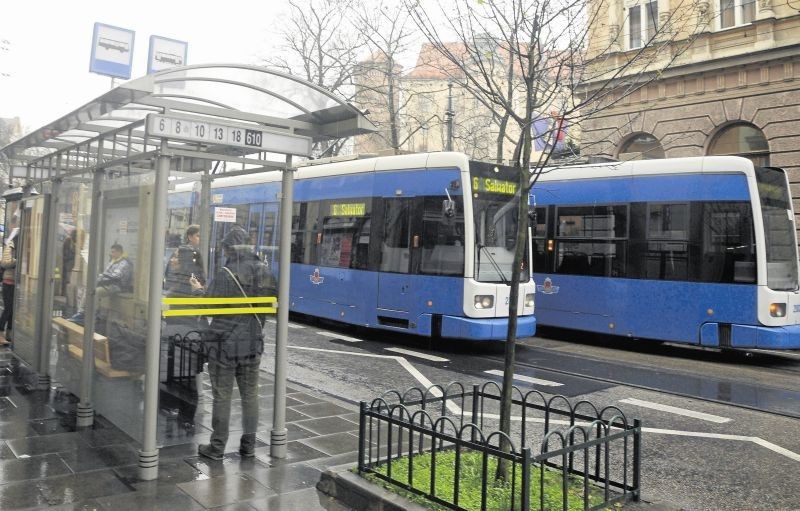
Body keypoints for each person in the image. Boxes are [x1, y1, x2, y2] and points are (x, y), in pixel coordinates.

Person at [195, 225, 276, 460]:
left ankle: (217, 448)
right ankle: (248, 446)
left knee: (222, 396)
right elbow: (270, 306)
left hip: (224, 344)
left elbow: (209, 306)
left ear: (229, 249)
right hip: (252, 342)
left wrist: (199, 291)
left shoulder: (226, 273)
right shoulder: (265, 270)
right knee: (250, 396)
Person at [69, 243, 133, 325]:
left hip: (117, 286)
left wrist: (101, 277)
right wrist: (99, 279)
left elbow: (115, 276)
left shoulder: (124, 263)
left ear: (119, 252)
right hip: (108, 283)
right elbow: (107, 274)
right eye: (111, 252)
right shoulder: (114, 261)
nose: (111, 254)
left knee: (96, 292)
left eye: (113, 252)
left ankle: (93, 316)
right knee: (88, 289)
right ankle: (81, 313)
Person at [0, 224, 17, 345]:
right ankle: (0, 334)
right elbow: (5, 263)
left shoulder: (18, 246)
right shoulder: (9, 246)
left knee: (12, 310)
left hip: (16, 283)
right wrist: (16, 260)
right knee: (8, 309)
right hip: (8, 282)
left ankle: (9, 335)